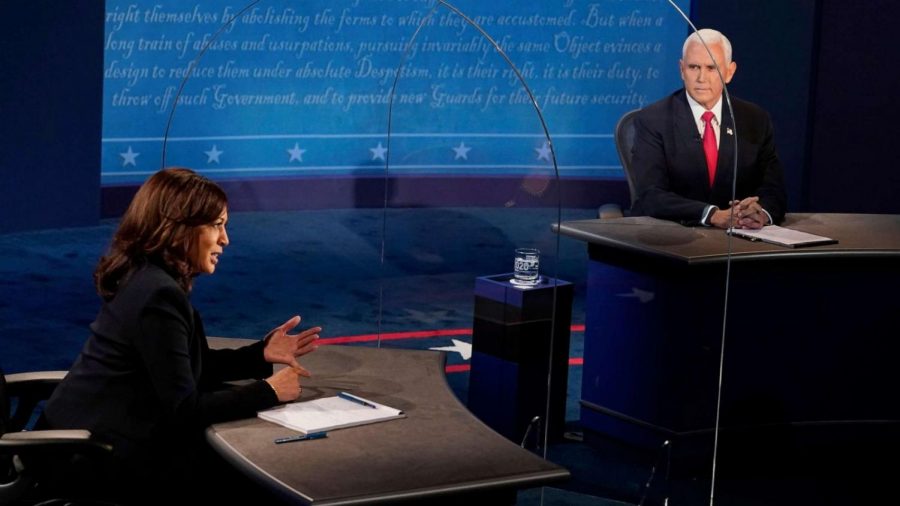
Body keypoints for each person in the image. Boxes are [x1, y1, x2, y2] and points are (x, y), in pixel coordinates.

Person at [41, 167, 321, 502]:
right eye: (216, 225)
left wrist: (260, 354)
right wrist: (268, 392)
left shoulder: (148, 278)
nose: (225, 239)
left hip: (94, 440)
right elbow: (184, 411)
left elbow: (186, 368)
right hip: (92, 459)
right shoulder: (157, 294)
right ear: (178, 228)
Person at [629, 28, 787, 229]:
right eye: (694, 67)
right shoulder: (653, 119)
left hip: (738, 240)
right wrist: (711, 215)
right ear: (681, 69)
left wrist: (760, 212)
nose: (701, 78)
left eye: (711, 68)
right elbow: (651, 195)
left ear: (729, 72)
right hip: (672, 235)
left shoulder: (755, 119)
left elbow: (774, 189)